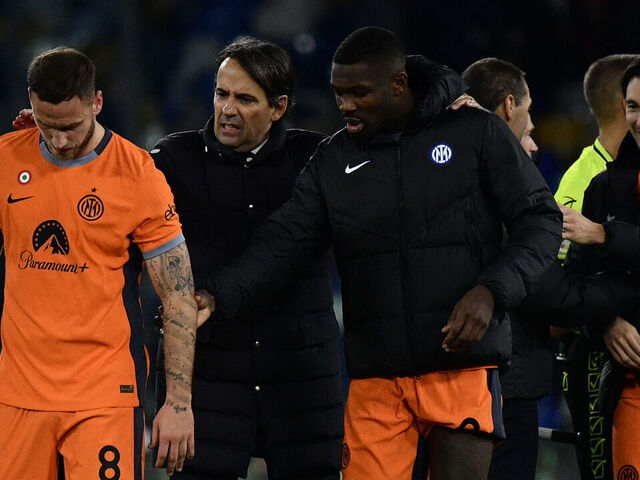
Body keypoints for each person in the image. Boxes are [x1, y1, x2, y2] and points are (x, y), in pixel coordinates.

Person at [195, 26, 563, 480]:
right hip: (376, 380)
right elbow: (280, 243)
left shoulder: (474, 131)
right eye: (338, 92)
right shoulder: (334, 161)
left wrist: (491, 291)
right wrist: (215, 295)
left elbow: (541, 220)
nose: (345, 104)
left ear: (398, 85)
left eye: (358, 93)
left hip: (461, 368)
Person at [151, 36, 346, 480]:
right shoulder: (172, 160)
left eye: (245, 99)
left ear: (278, 107)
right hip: (210, 380)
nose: (227, 109)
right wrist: (43, 141)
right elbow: (105, 180)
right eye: (221, 94)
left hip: (301, 383)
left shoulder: (315, 159)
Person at [0, 47, 197, 479]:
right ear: (30, 104)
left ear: (97, 103)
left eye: (71, 126)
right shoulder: (8, 158)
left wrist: (177, 403)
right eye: (48, 126)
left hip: (103, 395)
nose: (61, 140)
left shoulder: (136, 175)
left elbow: (179, 296)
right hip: (17, 395)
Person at [553, 54, 637, 480]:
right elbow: (568, 289)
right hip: (601, 363)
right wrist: (606, 321)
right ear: (624, 106)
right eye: (635, 104)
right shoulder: (585, 182)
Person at [462, 57, 544, 480]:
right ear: (510, 105)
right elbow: (545, 286)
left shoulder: (443, 165)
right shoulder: (512, 182)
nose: (534, 142)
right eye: (528, 115)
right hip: (506, 383)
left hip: (451, 382)